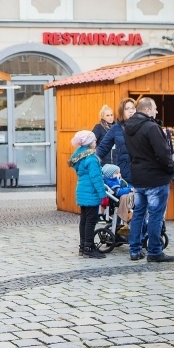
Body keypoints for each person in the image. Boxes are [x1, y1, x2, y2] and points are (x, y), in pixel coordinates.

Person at [123, 97, 174, 262]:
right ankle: (154, 251)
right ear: (147, 110)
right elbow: (163, 154)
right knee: (155, 215)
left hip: (138, 177)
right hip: (155, 178)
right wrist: (171, 168)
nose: (156, 112)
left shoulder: (127, 128)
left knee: (138, 213)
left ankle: (134, 250)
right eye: (154, 109)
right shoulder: (151, 127)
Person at [68, 130, 106, 259]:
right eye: (94, 140)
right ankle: (88, 248)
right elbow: (97, 178)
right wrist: (103, 196)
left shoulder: (80, 157)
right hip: (91, 193)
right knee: (90, 221)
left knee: (84, 220)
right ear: (90, 143)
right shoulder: (91, 158)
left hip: (81, 192)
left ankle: (83, 246)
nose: (96, 142)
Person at [96, 98, 136, 183]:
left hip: (143, 175)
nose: (131, 111)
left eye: (133, 108)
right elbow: (102, 148)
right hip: (125, 175)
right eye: (127, 109)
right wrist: (90, 160)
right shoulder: (116, 128)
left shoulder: (143, 127)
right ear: (122, 112)